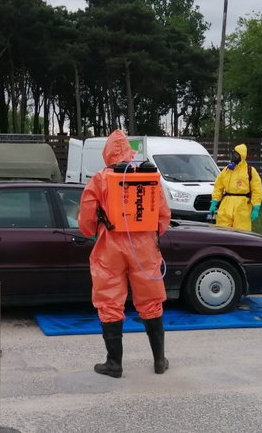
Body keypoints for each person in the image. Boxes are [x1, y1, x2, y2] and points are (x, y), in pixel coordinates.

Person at [78, 129, 172, 378]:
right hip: (144, 247)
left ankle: (114, 363)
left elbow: (86, 218)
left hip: (110, 246)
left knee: (110, 301)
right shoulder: (148, 177)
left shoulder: (99, 179)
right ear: (130, 152)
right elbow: (163, 216)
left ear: (107, 153)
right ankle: (159, 361)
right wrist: (150, 235)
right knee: (150, 302)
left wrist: (95, 231)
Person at [209, 143, 262, 230]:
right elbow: (218, 186)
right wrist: (214, 201)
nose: (233, 157)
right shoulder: (227, 170)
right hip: (226, 203)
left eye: (236, 155)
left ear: (241, 156)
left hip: (242, 205)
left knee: (242, 232)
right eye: (233, 154)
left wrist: (256, 206)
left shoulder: (250, 171)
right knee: (222, 230)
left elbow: (257, 189)